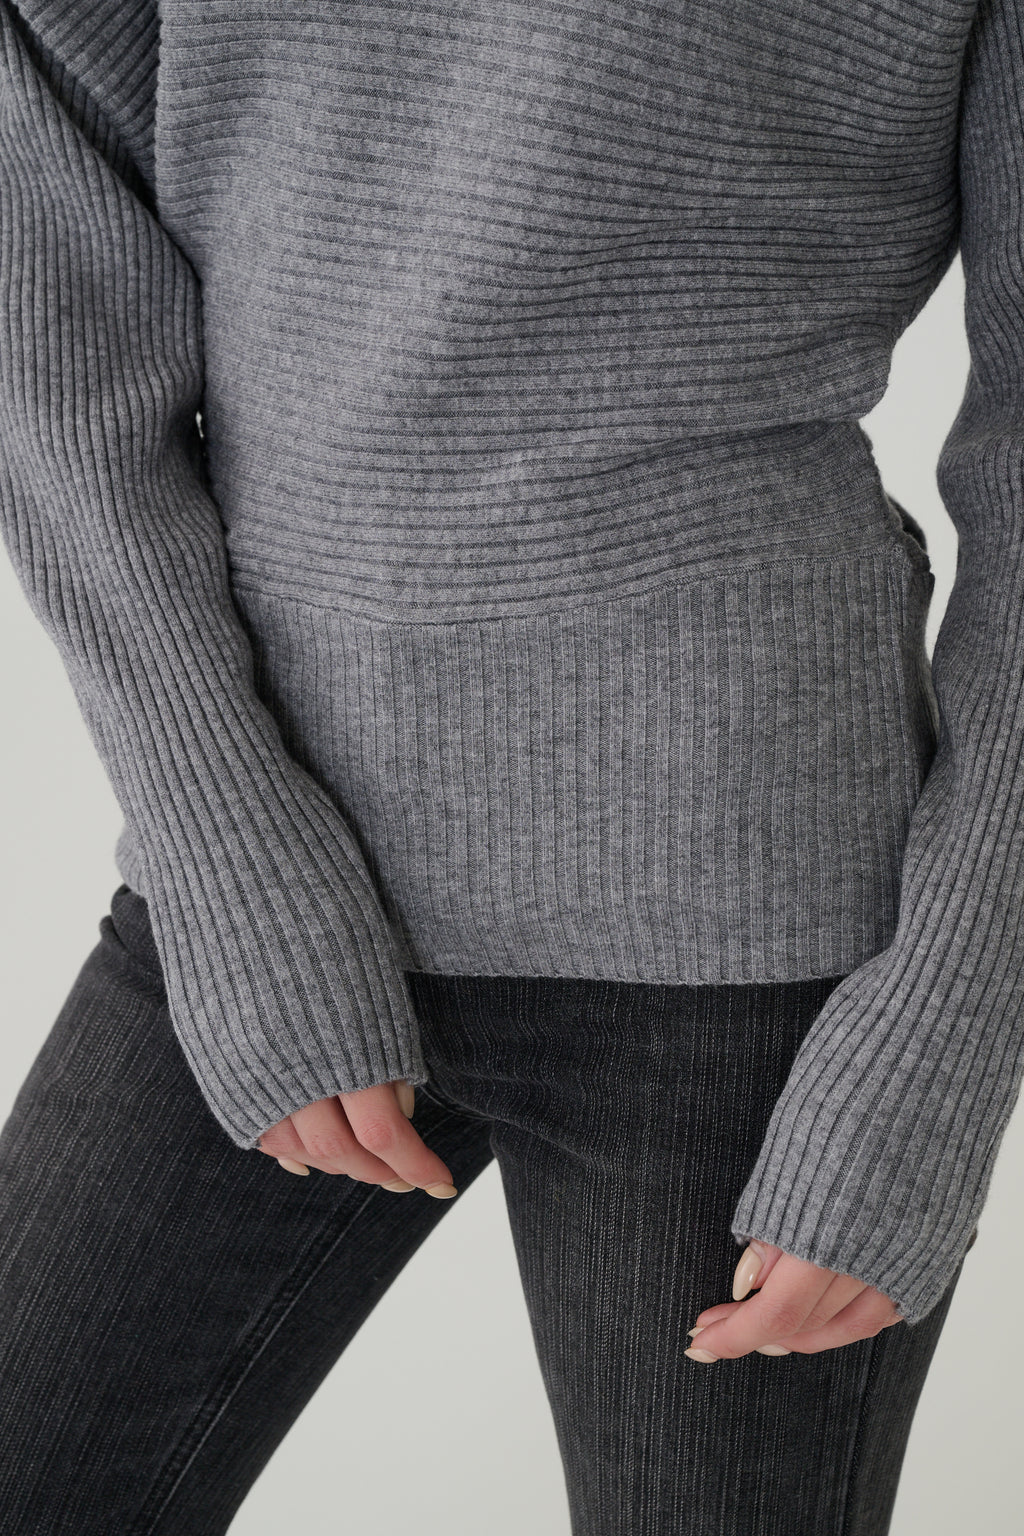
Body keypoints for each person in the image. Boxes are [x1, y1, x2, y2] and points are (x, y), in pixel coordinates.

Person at [0, 0, 1017, 1530]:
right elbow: (56, 352)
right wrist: (231, 880)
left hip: (752, 945)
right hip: (262, 875)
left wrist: (937, 1046)